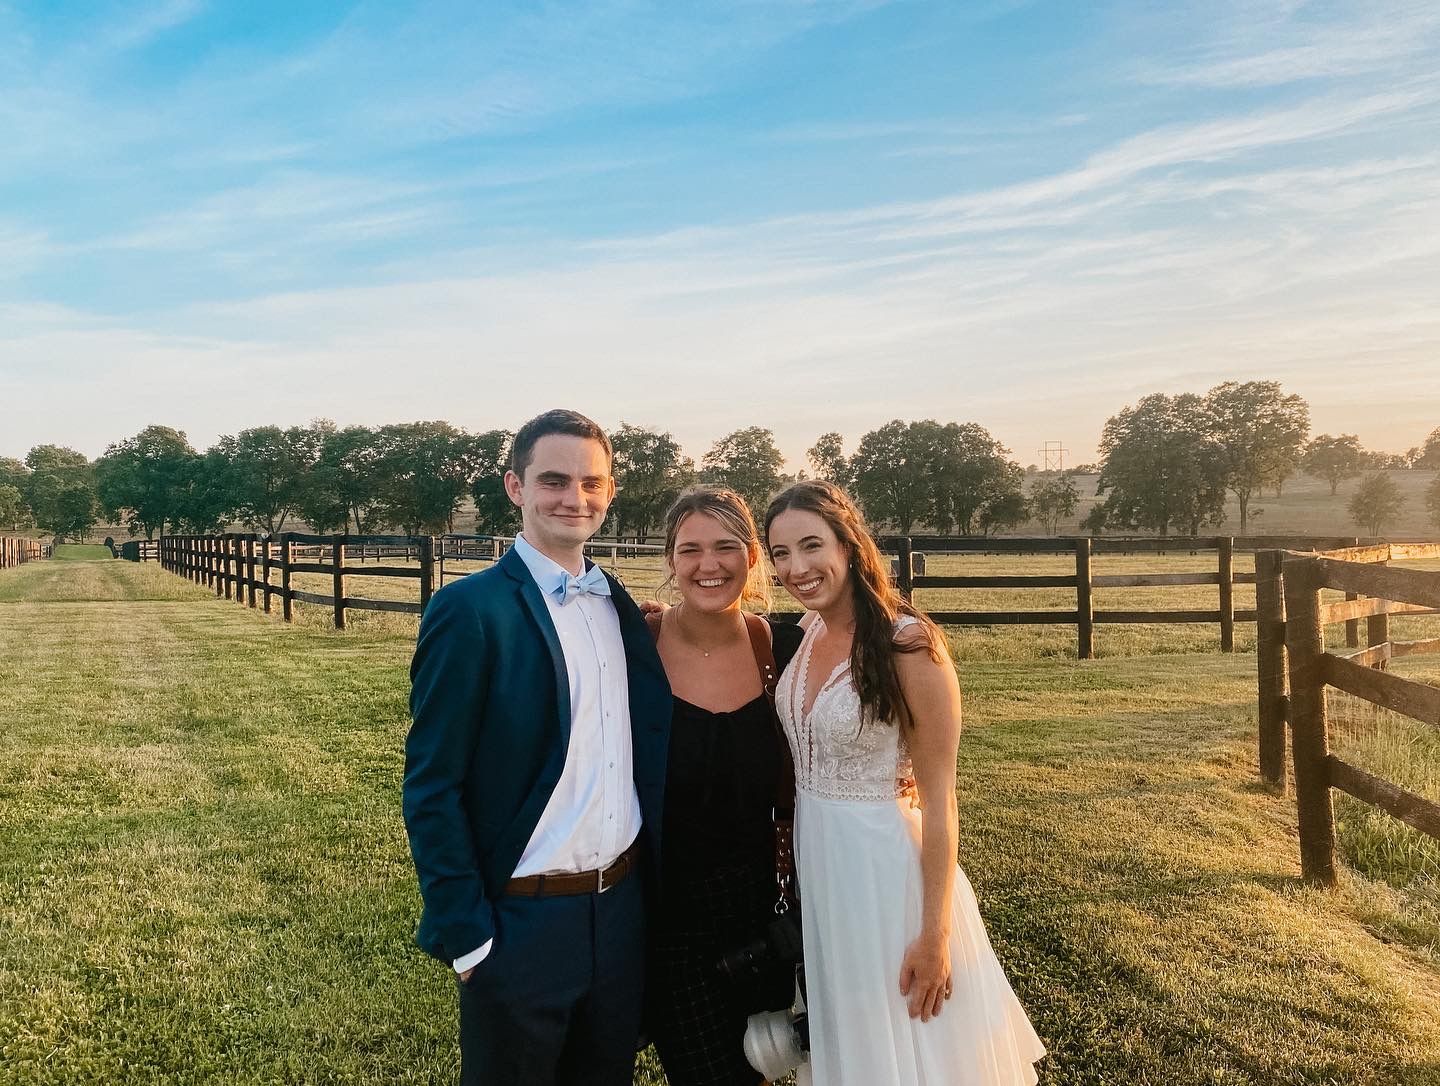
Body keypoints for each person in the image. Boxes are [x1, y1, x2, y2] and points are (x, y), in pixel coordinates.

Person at [403, 409, 671, 1086]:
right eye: (553, 480)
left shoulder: (617, 603)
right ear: (515, 488)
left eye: (591, 483)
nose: (573, 498)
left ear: (610, 493)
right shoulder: (470, 610)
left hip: (620, 916)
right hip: (519, 924)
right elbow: (432, 785)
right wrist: (469, 939)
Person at [763, 480, 1045, 1086]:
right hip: (824, 871)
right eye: (780, 553)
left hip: (888, 874)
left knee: (913, 1040)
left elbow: (941, 798)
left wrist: (934, 935)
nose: (796, 567)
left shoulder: (908, 644)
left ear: (849, 544)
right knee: (856, 1025)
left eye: (811, 546)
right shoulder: (808, 634)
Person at [644, 488, 805, 1086]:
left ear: (753, 557)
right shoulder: (638, 646)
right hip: (665, 913)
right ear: (670, 560)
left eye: (725, 547)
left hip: (760, 909)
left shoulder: (783, 650)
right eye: (690, 550)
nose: (708, 565)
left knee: (757, 1067)